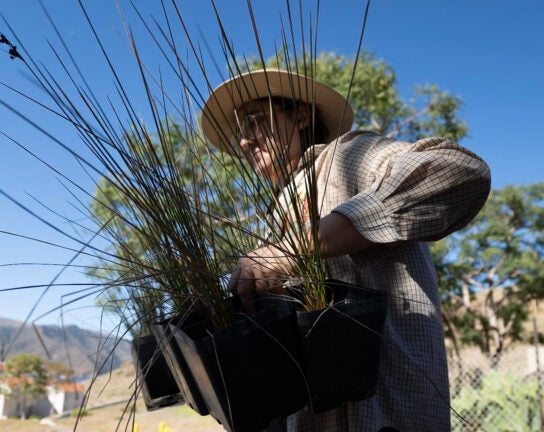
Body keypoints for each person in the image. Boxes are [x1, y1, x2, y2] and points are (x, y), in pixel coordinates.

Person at [200, 68, 491, 432]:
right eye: (240, 133)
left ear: (301, 116)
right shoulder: (278, 213)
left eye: (255, 122)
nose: (245, 141)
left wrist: (295, 249)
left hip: (387, 415)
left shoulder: (345, 155)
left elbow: (461, 171)